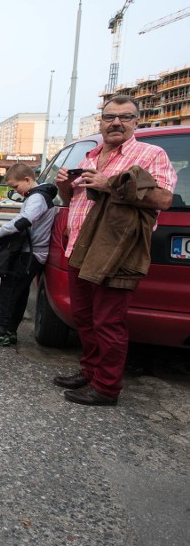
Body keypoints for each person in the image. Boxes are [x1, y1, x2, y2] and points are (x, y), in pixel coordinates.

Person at [52, 95, 176, 406]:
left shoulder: (150, 153)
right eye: (110, 117)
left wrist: (111, 185)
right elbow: (73, 202)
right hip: (79, 248)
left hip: (116, 250)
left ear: (137, 121)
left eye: (125, 117)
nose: (116, 122)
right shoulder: (92, 154)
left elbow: (163, 199)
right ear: (101, 121)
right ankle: (91, 372)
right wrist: (65, 187)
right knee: (84, 317)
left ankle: (106, 387)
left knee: (108, 321)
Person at [0, 164, 56, 347]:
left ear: (27, 180)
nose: (15, 191)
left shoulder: (37, 197)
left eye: (15, 187)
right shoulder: (39, 195)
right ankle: (9, 330)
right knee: (18, 294)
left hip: (30, 254)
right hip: (33, 253)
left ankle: (1, 331)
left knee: (9, 291)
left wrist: (0, 232)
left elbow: (24, 220)